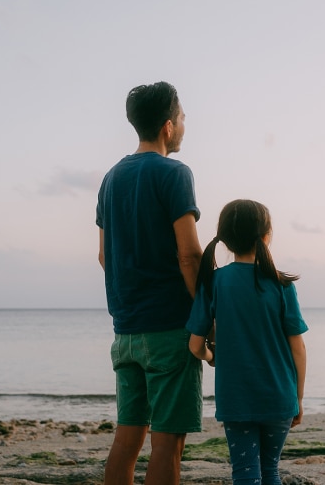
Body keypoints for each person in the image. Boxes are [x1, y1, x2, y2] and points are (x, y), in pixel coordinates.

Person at [96, 81, 204, 485]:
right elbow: (189, 255)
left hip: (125, 331)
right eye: (182, 117)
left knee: (128, 437)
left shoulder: (110, 178)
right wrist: (204, 312)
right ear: (168, 127)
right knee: (167, 443)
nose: (183, 124)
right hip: (170, 328)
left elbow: (105, 256)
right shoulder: (175, 173)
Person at [186, 199, 309, 485]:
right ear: (266, 235)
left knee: (245, 473)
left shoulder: (214, 282)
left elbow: (194, 346)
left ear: (226, 240)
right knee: (271, 472)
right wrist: (298, 399)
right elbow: (298, 349)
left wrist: (210, 354)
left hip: (236, 398)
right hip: (279, 395)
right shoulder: (281, 285)